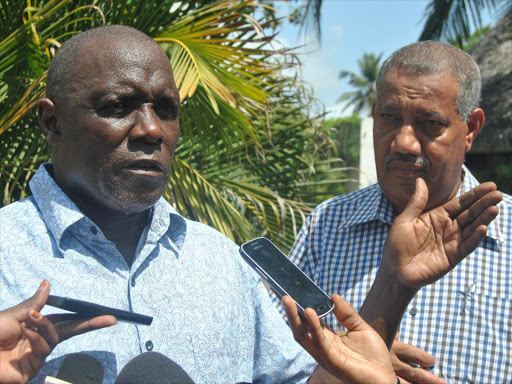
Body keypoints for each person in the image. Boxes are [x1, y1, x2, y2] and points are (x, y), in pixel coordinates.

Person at [0, 26, 501, 384]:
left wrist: (391, 288)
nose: (152, 129)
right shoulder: (8, 252)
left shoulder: (221, 262)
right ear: (52, 122)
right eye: (118, 106)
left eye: (167, 110)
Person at [285, 41, 512, 383]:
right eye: (390, 117)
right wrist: (352, 360)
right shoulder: (326, 225)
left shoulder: (506, 236)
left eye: (429, 123)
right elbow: (276, 363)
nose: (404, 142)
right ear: (375, 112)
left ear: (471, 129)